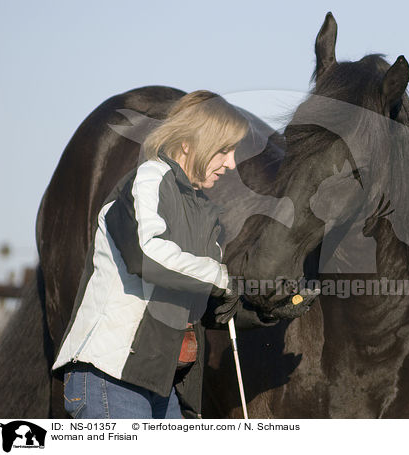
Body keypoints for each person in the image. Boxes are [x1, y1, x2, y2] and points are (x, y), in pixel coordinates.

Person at [51, 90, 314, 419]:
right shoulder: (146, 181)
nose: (231, 163)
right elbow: (146, 257)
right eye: (224, 150)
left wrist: (267, 309)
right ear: (190, 142)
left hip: (161, 387)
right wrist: (222, 277)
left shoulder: (204, 212)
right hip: (110, 378)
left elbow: (207, 305)